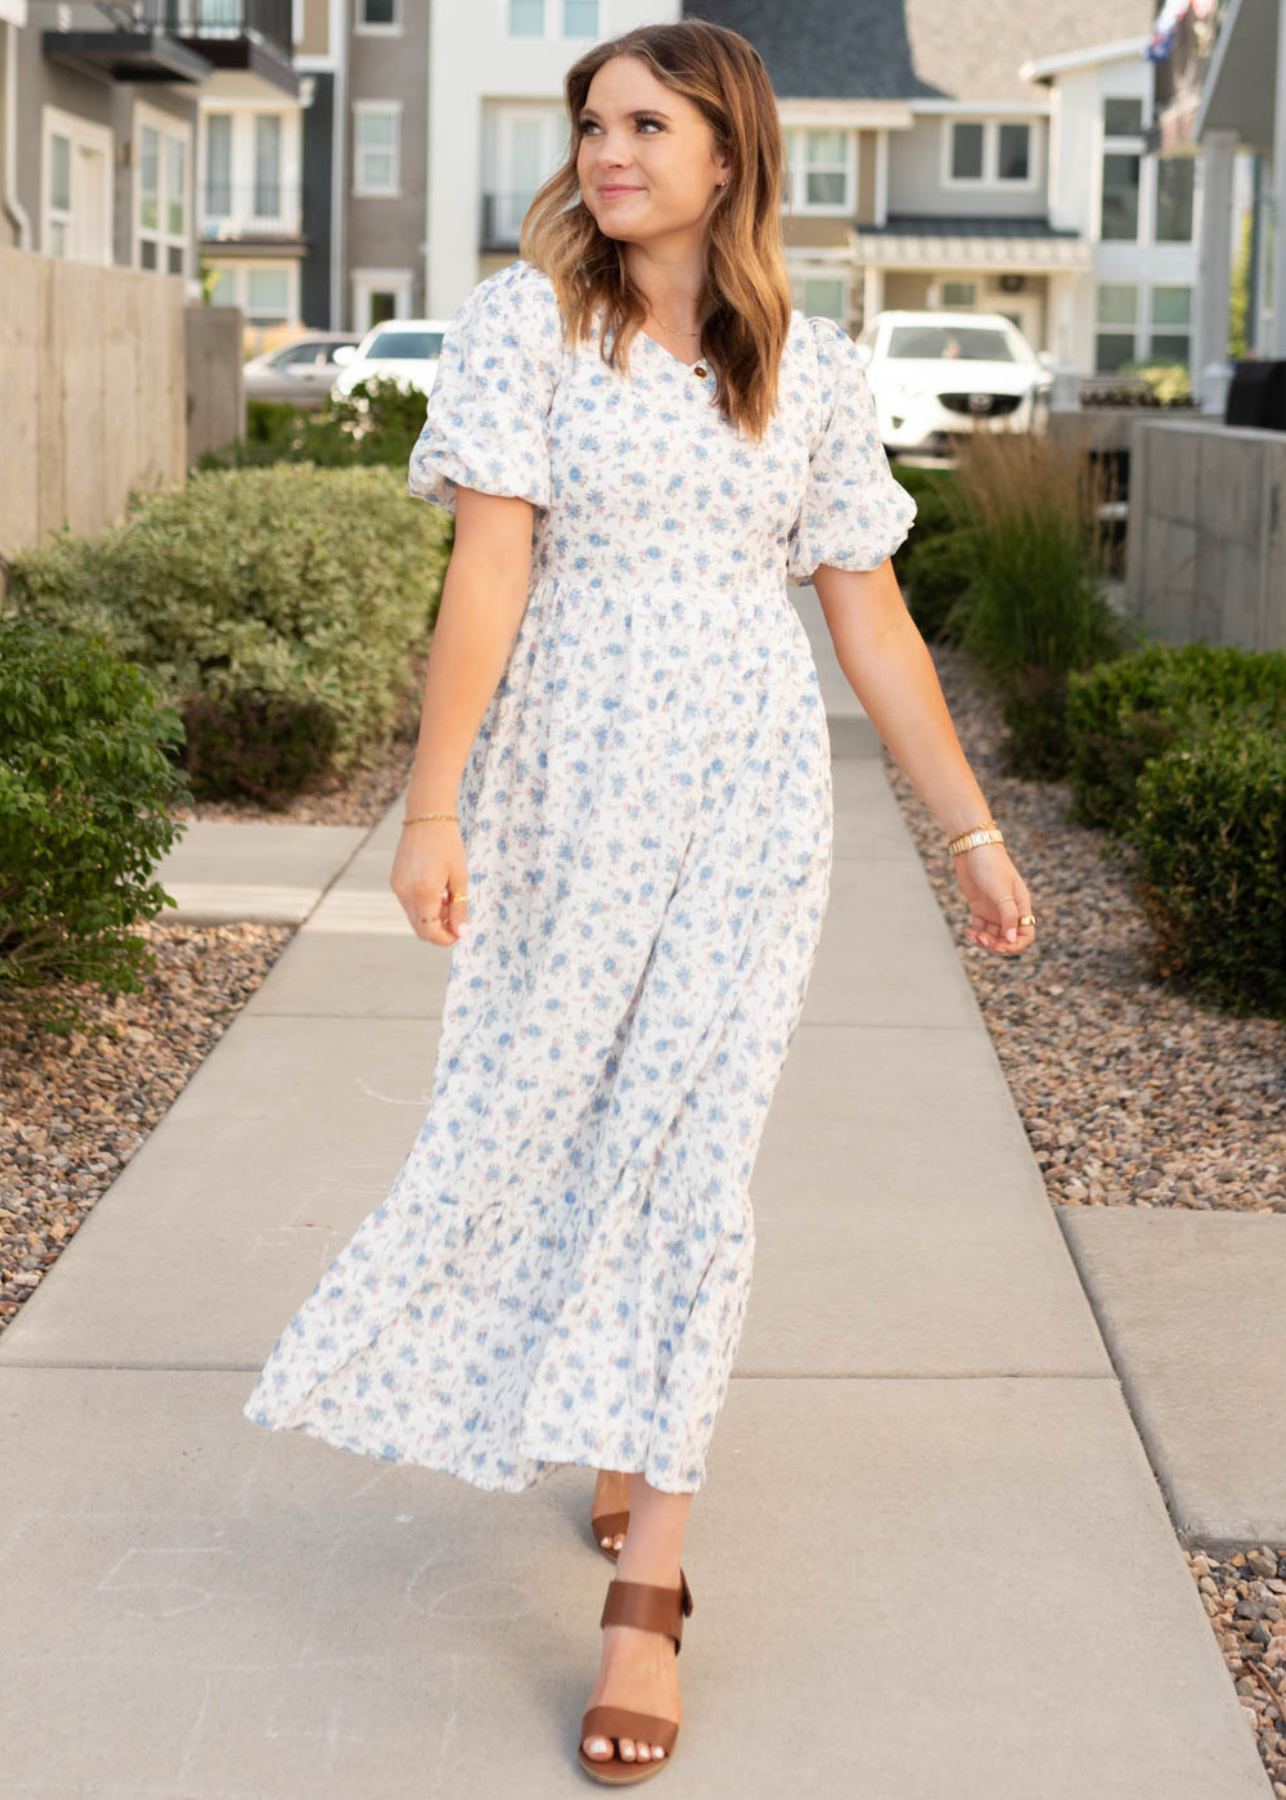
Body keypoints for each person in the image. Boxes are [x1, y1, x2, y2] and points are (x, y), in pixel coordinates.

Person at [242, 19, 1036, 1786]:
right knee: (541, 1118)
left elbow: (870, 620)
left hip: (750, 804)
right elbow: (491, 563)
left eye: (646, 124)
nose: (609, 152)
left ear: (728, 152)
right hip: (563, 794)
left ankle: (648, 1592)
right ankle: (609, 1411)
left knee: (695, 1155)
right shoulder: (532, 323)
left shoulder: (809, 371)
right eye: (591, 122)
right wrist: (431, 801)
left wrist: (971, 830)